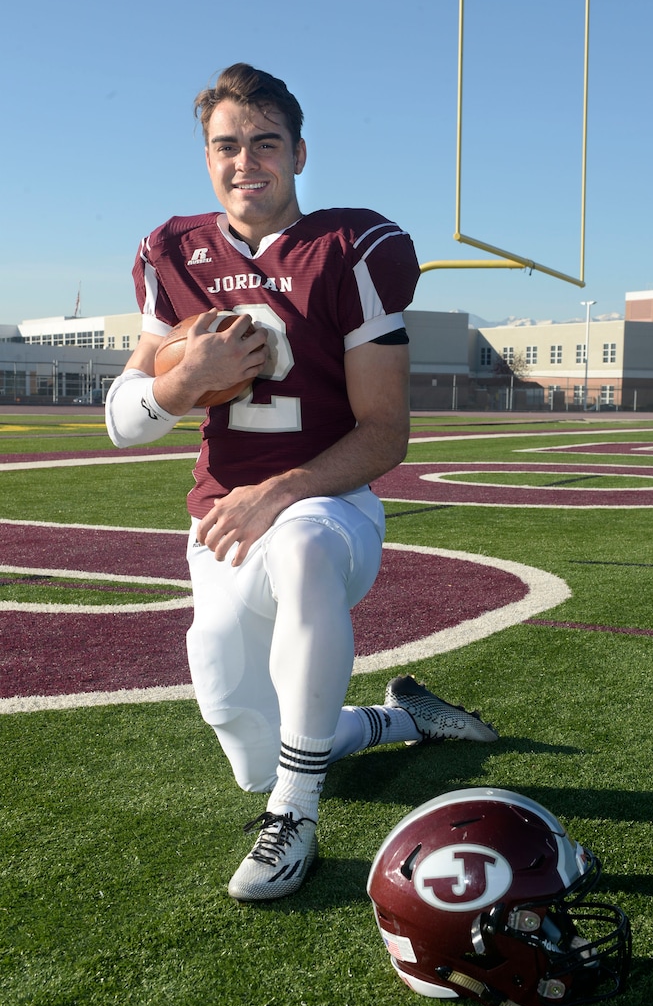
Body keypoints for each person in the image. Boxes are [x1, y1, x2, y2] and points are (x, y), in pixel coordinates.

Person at [105, 63, 498, 902]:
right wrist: (183, 382)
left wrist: (280, 491)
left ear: (298, 151)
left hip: (329, 506)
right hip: (221, 521)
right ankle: (398, 719)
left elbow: (385, 433)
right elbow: (124, 416)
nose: (245, 161)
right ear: (206, 156)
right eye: (226, 146)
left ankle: (299, 813)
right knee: (248, 736)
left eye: (264, 142)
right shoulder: (173, 252)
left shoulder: (351, 247)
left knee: (307, 548)